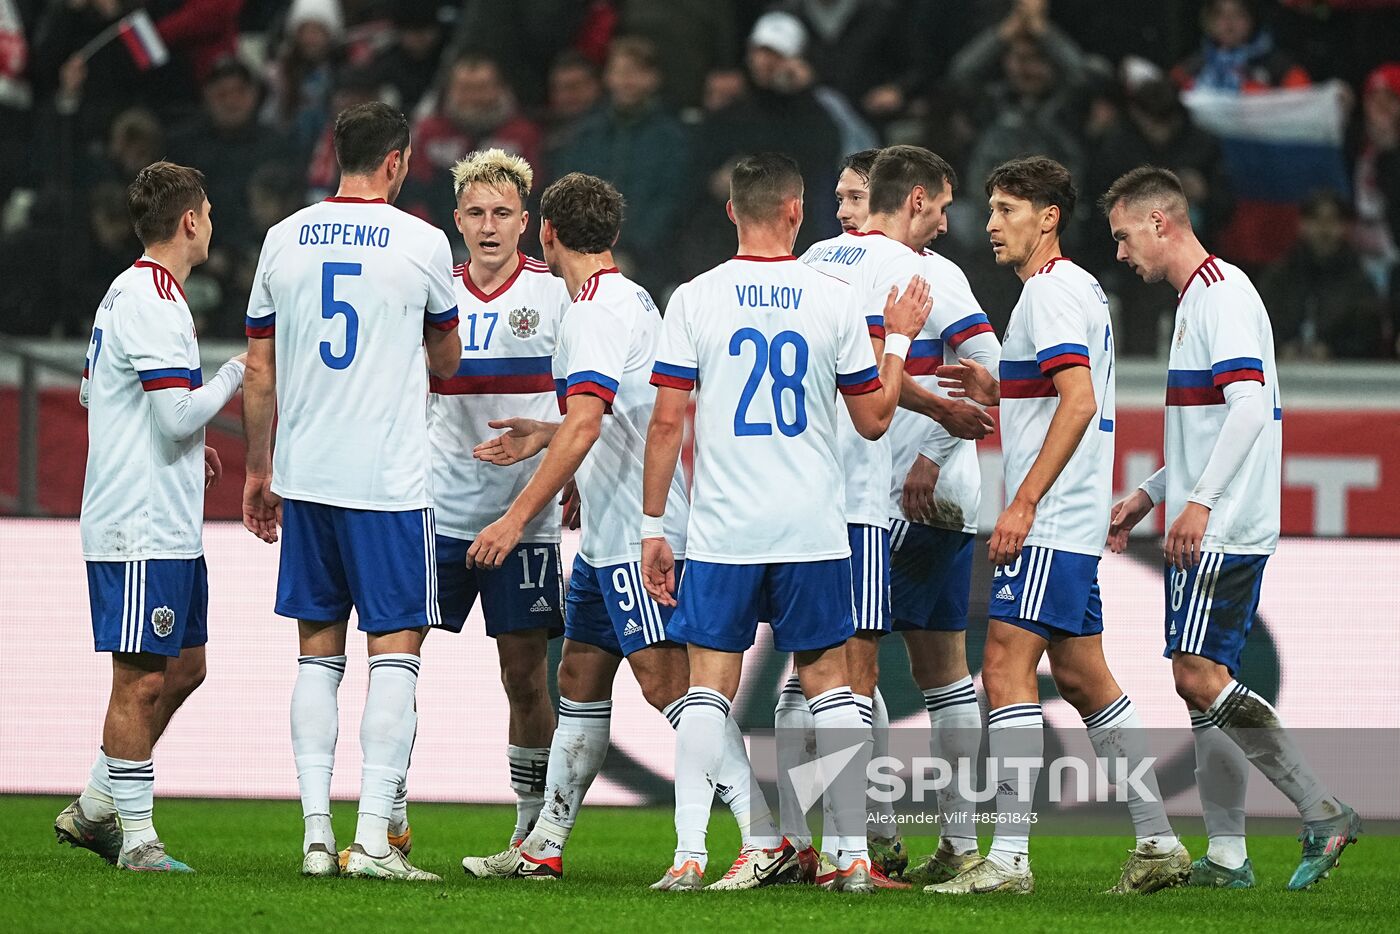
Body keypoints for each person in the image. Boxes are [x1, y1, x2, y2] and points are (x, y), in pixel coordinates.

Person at [459, 173, 778, 882]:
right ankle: (542, 845)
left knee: (671, 688)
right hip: (608, 537)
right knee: (577, 673)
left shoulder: (593, 312)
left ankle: (768, 835)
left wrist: (516, 516)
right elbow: (610, 417)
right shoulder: (627, 297)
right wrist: (548, 436)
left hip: (640, 535)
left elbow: (589, 422)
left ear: (546, 233)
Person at [641, 152, 931, 893]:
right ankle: (851, 856)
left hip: (724, 527)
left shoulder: (694, 297)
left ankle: (689, 856)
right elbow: (873, 420)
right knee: (831, 684)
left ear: (731, 211)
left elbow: (667, 423)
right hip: (811, 525)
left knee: (707, 687)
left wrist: (652, 526)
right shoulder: (833, 298)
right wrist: (898, 339)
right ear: (798, 211)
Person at [929, 156, 1188, 896]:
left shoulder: (1048, 292)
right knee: (1082, 677)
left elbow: (1078, 402)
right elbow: (1060, 391)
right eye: (991, 209)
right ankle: (1159, 841)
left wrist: (1023, 502)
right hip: (1069, 520)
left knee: (1002, 669)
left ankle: (1009, 859)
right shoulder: (1073, 289)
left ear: (1048, 218)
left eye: (1007, 209)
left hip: (1050, 521)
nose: (991, 224)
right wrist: (1000, 385)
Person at [1102, 166, 1361, 892]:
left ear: (1160, 222)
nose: (1121, 252)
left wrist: (1202, 503)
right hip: (1212, 519)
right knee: (1202, 688)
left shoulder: (1221, 295)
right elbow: (1215, 425)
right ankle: (1226, 856)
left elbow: (1249, 409)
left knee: (1198, 675)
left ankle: (1323, 810)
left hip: (1224, 528)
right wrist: (1153, 493)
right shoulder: (1201, 298)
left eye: (1123, 236)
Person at [240, 101, 461, 882]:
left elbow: (259, 368)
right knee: (395, 651)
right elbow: (447, 361)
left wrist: (260, 469)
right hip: (387, 482)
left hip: (306, 474)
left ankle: (313, 837)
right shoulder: (423, 242)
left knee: (316, 656)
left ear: (337, 154)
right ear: (397, 162)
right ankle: (371, 840)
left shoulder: (283, 237)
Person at [791, 144, 994, 885]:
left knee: (838, 668)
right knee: (941, 672)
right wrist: (941, 425)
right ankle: (952, 842)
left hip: (891, 495)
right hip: (918, 496)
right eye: (940, 207)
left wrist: (933, 443)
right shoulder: (916, 271)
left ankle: (860, 835)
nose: (945, 222)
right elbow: (989, 370)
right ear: (914, 200)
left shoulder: (820, 261)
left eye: (853, 196)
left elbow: (980, 375)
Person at [55, 161, 246, 873]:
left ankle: (95, 805)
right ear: (190, 220)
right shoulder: (152, 300)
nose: (212, 225)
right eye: (209, 213)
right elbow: (175, 416)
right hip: (138, 522)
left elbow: (94, 394)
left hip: (166, 520)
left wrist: (186, 447)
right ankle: (136, 839)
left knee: (185, 667)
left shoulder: (131, 291)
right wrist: (238, 373)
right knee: (138, 680)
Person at [428, 148, 572, 849]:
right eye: (477, 213)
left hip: (527, 523)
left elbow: (584, 403)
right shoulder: (435, 295)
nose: (489, 226)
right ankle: (387, 815)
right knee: (396, 659)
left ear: (525, 221)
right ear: (457, 220)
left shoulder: (557, 296)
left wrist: (575, 474)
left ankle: (529, 821)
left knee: (524, 675)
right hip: (437, 512)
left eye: (502, 213)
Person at [552, 36, 689, 295]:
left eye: (636, 72)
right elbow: (566, 194)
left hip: (649, 262)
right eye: (620, 72)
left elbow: (670, 202)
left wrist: (630, 253)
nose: (627, 80)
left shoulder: (671, 137)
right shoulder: (586, 133)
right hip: (584, 255)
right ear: (608, 77)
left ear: (653, 78)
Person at [1259, 189, 1387, 360]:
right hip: (1280, 369)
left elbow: (1369, 335)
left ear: (1345, 227)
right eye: (1316, 220)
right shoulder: (1279, 278)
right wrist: (1279, 348)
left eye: (1333, 220)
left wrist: (1334, 351)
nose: (1324, 229)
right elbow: (1257, 323)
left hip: (1345, 373)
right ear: (1302, 225)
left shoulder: (1359, 283)